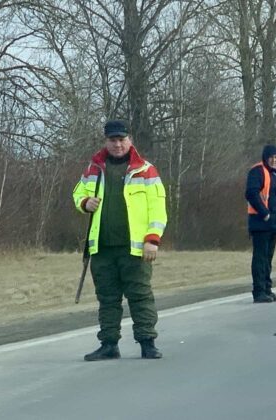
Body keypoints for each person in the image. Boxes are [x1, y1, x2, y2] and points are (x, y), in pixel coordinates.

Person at [73, 119, 168, 361]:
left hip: (134, 249)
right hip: (102, 248)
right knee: (107, 299)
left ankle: (147, 342)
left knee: (140, 296)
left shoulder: (146, 170)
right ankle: (109, 344)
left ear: (130, 140)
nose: (117, 144)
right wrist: (85, 203)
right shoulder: (94, 168)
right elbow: (78, 193)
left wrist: (152, 239)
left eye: (121, 139)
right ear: (106, 141)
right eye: (112, 140)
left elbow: (158, 209)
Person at [245, 145, 276, 303]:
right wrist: (265, 214)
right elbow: (251, 193)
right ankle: (259, 291)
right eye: (272, 157)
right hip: (260, 223)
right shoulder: (257, 171)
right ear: (266, 157)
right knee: (260, 258)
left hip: (273, 224)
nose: (274, 160)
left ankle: (267, 289)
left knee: (268, 259)